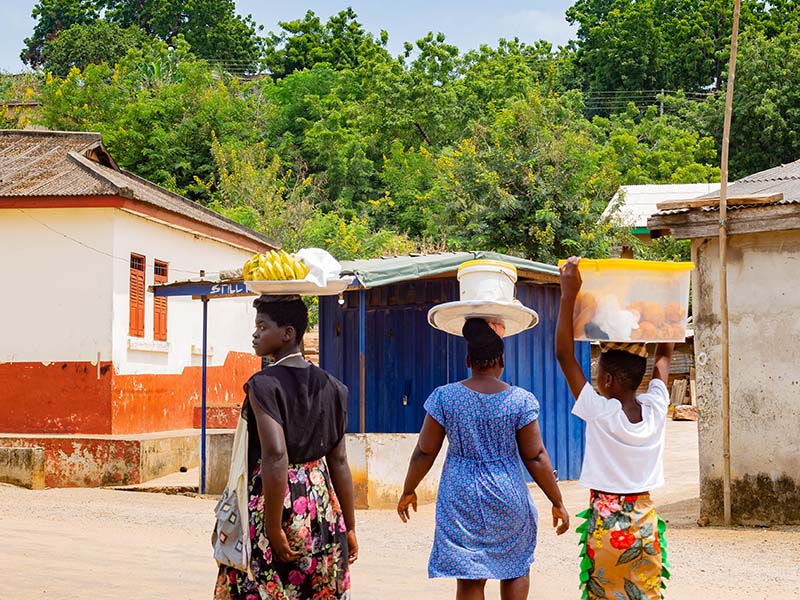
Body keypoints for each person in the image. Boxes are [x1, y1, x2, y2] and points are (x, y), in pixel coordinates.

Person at [397, 317, 570, 600]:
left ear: (468, 359)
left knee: (470, 578)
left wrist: (408, 489)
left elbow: (425, 451)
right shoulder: (520, 400)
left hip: (460, 497)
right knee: (515, 568)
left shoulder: (445, 397)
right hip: (507, 494)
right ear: (501, 360)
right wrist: (557, 501)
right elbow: (536, 456)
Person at [214, 295, 358, 600]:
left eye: (263, 326)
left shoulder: (263, 385)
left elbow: (276, 455)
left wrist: (273, 527)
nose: (255, 334)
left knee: (266, 585)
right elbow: (340, 461)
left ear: (288, 333)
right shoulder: (333, 387)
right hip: (320, 502)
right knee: (314, 587)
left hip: (277, 500)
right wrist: (350, 525)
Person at [556, 257, 674, 600]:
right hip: (646, 527)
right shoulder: (654, 409)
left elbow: (565, 355)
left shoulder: (601, 412)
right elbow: (664, 358)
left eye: (597, 372)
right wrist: (666, 311)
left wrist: (568, 296)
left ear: (606, 380)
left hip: (608, 529)